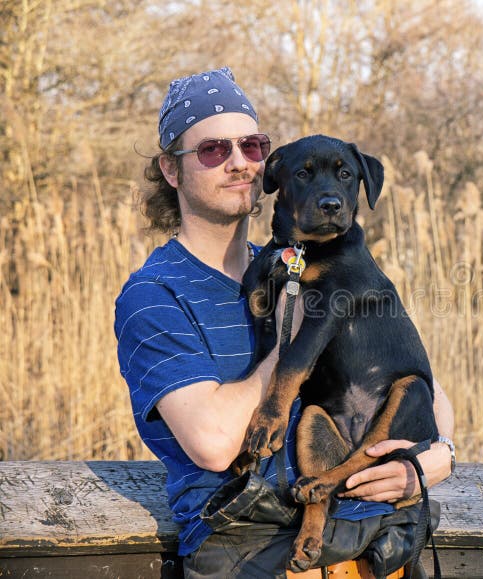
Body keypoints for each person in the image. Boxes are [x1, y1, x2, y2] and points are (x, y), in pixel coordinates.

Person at [114, 67, 455, 579]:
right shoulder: (155, 294)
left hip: (375, 551)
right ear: (170, 169)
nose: (238, 164)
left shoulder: (294, 263)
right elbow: (212, 443)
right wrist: (294, 338)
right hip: (254, 554)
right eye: (212, 150)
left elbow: (418, 381)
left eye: (251, 147)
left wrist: (433, 458)